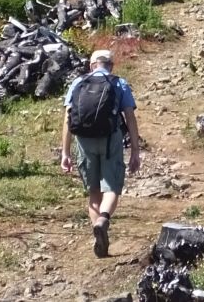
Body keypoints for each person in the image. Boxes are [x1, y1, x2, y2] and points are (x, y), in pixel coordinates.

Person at [61, 49, 141, 257]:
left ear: (91, 65)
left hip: (84, 142)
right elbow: (130, 117)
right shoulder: (118, 83)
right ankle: (103, 220)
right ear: (111, 65)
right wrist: (135, 150)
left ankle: (98, 230)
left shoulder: (78, 83)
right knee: (112, 187)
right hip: (110, 141)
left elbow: (68, 120)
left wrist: (65, 152)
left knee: (94, 191)